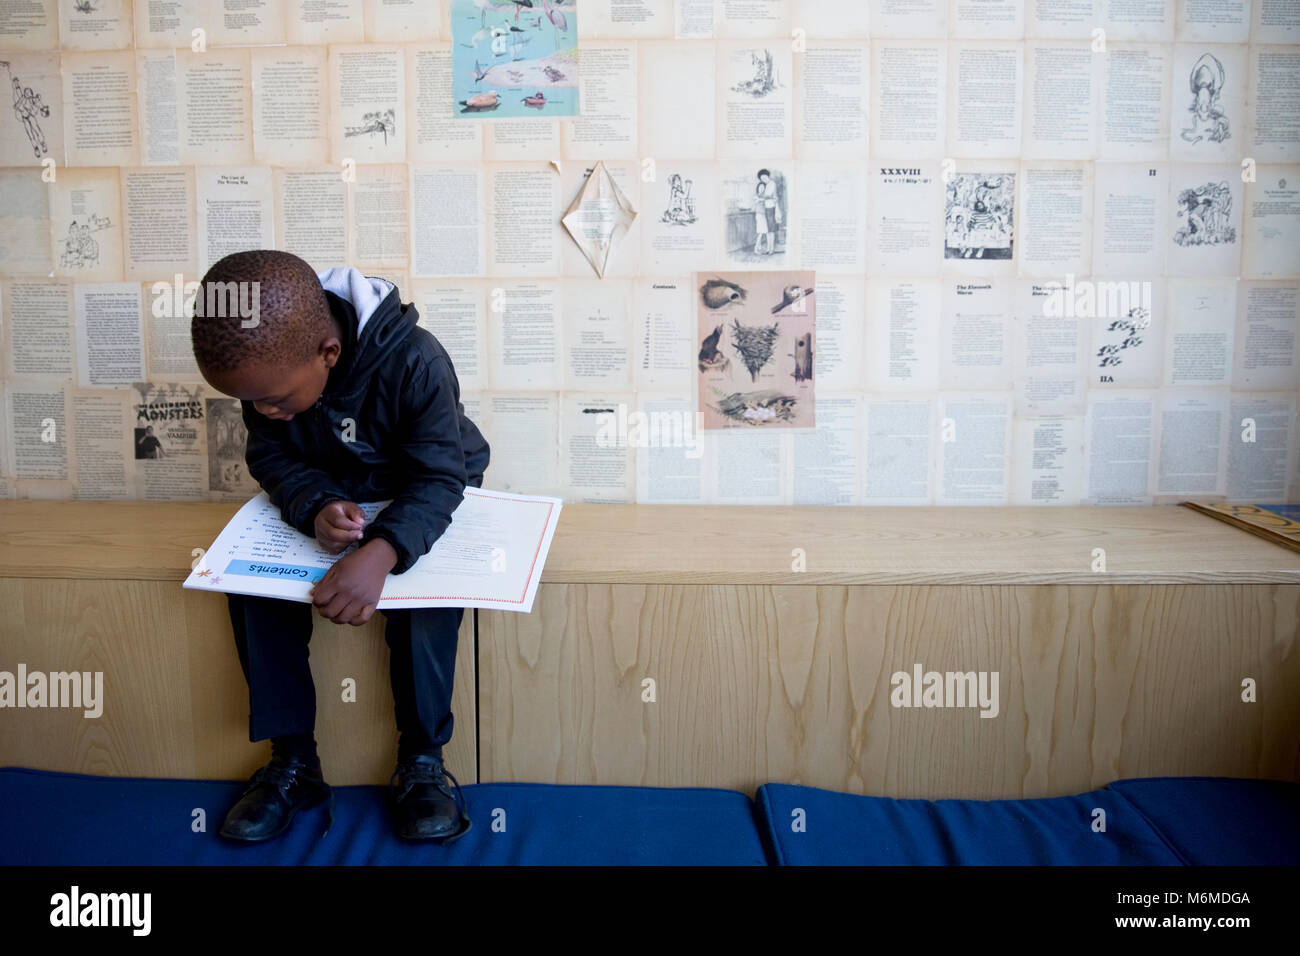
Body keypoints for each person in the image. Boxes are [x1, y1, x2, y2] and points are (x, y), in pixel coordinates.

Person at [189, 250, 490, 844]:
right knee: (252, 592)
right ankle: (293, 762)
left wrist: (381, 553)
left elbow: (439, 477)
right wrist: (316, 505)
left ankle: (423, 760)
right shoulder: (267, 371)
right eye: (251, 403)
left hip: (420, 495)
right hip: (337, 503)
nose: (263, 411)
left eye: (274, 400)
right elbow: (271, 456)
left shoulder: (415, 359)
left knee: (425, 604)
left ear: (328, 354)